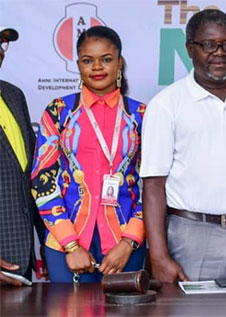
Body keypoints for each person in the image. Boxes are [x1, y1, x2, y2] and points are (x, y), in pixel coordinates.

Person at [141, 9, 226, 283]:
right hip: (192, 234)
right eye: (209, 45)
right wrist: (158, 255)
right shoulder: (166, 105)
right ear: (191, 49)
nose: (220, 53)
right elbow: (154, 185)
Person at [30, 26, 146, 282]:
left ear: (120, 62)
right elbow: (42, 180)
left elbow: (155, 185)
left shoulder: (140, 115)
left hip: (126, 245)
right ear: (78, 64)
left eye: (106, 59)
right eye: (87, 60)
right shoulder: (59, 112)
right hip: (65, 246)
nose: (97, 67)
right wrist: (70, 244)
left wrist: (129, 241)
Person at [0, 26, 46, 285]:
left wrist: (47, 247)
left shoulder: (13, 95)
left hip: (20, 261)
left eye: (1, 44)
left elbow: (32, 177)